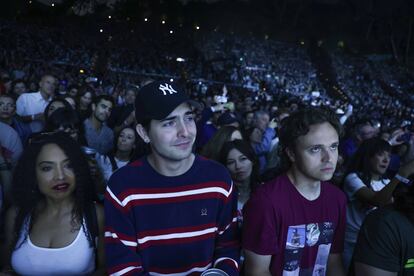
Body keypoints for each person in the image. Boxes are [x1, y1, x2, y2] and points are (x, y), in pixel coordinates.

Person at [104, 80, 240, 275]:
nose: (185, 132)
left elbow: (228, 247)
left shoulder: (219, 179)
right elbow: (122, 267)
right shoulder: (122, 187)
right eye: (169, 122)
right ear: (144, 133)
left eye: (189, 118)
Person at [242, 107, 347, 276]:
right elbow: (257, 271)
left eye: (333, 147)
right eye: (315, 149)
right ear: (291, 153)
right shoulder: (266, 202)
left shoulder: (337, 198)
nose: (328, 157)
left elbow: (333, 261)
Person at [0, 132, 105, 275]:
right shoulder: (16, 215)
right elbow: (7, 268)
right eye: (47, 168)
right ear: (32, 174)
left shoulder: (95, 215)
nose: (60, 176)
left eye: (68, 165)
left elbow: (105, 269)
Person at [341, 137, 414, 271]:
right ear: (368, 156)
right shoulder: (352, 178)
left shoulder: (386, 182)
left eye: (389, 156)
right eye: (381, 155)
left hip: (374, 242)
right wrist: (401, 174)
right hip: (351, 243)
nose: (386, 160)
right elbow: (377, 200)